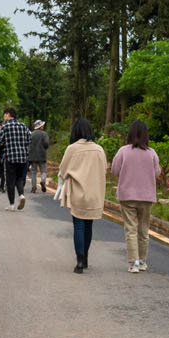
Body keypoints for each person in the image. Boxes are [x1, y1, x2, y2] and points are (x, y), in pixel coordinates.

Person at [53, 117, 106, 273]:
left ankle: (79, 261)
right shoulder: (99, 149)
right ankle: (86, 257)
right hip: (94, 193)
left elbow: (62, 170)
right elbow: (103, 170)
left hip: (78, 192)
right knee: (89, 225)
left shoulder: (72, 149)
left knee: (79, 225)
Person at [110, 118, 160, 272]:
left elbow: (114, 170)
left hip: (127, 196)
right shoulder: (152, 153)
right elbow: (157, 173)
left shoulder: (123, 151)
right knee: (143, 230)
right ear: (146, 135)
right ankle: (143, 262)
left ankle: (134, 263)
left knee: (131, 229)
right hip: (147, 196)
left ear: (130, 134)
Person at [0, 108, 32, 210]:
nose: (4, 117)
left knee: (10, 181)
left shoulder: (5, 127)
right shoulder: (23, 126)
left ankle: (11, 205)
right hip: (23, 157)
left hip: (10, 157)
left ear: (8, 115)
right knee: (19, 178)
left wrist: (6, 145)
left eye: (4, 115)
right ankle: (21, 195)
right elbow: (29, 139)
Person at [27, 119, 50, 192]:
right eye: (42, 125)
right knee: (43, 170)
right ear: (40, 126)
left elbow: (28, 144)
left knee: (33, 172)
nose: (43, 126)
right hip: (42, 155)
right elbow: (46, 143)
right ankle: (43, 181)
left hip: (32, 156)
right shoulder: (44, 134)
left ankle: (33, 188)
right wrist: (44, 148)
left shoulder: (31, 134)